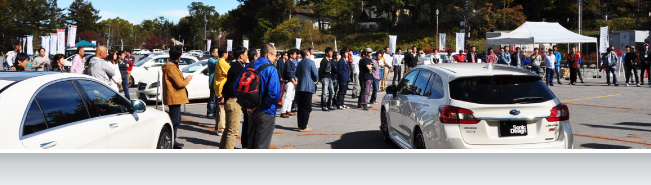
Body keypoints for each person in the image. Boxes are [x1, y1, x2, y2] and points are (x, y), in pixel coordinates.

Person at [234, 44, 280, 149]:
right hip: (266, 111)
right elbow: (274, 94)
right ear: (268, 55)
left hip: (250, 110)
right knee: (262, 145)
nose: (275, 58)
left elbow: (236, 87)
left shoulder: (249, 66)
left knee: (252, 144)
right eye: (274, 55)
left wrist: (247, 106)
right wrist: (259, 106)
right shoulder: (271, 69)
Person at [162, 46, 194, 148]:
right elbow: (179, 83)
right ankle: (172, 141)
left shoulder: (171, 65)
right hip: (174, 97)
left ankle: (173, 140)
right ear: (179, 56)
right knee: (174, 121)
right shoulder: (171, 67)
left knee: (176, 119)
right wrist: (187, 79)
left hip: (174, 96)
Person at [220, 46, 247, 149]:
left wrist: (223, 95)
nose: (247, 56)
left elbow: (227, 84)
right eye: (246, 54)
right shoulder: (239, 68)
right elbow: (232, 86)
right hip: (234, 101)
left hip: (229, 100)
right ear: (241, 56)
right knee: (232, 131)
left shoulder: (233, 65)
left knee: (228, 130)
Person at [295, 49, 318, 132]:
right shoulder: (311, 62)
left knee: (301, 107)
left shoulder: (300, 63)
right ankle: (303, 126)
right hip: (308, 87)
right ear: (307, 54)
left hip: (300, 86)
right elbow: (315, 75)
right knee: (307, 107)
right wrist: (314, 79)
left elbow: (296, 74)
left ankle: (300, 124)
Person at [213, 47, 230, 135]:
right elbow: (230, 72)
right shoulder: (222, 63)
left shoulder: (219, 62)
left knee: (219, 110)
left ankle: (217, 127)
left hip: (218, 87)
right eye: (227, 53)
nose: (228, 54)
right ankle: (221, 128)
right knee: (222, 110)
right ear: (224, 54)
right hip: (222, 88)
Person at [280, 49, 298, 118]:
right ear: (291, 55)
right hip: (289, 81)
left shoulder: (292, 62)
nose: (296, 55)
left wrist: (296, 80)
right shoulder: (287, 63)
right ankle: (283, 111)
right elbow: (289, 74)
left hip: (293, 81)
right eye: (295, 54)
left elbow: (293, 73)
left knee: (291, 97)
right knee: (287, 97)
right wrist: (294, 81)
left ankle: (288, 110)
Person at [319, 47, 335, 111]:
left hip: (330, 77)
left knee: (332, 92)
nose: (332, 53)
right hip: (324, 77)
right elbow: (320, 70)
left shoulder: (330, 60)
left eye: (332, 52)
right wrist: (320, 78)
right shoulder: (324, 61)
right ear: (327, 53)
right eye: (330, 52)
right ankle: (324, 105)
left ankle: (330, 104)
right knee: (324, 93)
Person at [206, 47, 219, 119]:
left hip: (217, 81)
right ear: (212, 53)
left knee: (216, 98)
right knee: (212, 98)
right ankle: (210, 112)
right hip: (213, 81)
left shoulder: (218, 59)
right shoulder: (211, 60)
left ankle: (214, 111)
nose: (218, 53)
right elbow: (216, 63)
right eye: (217, 52)